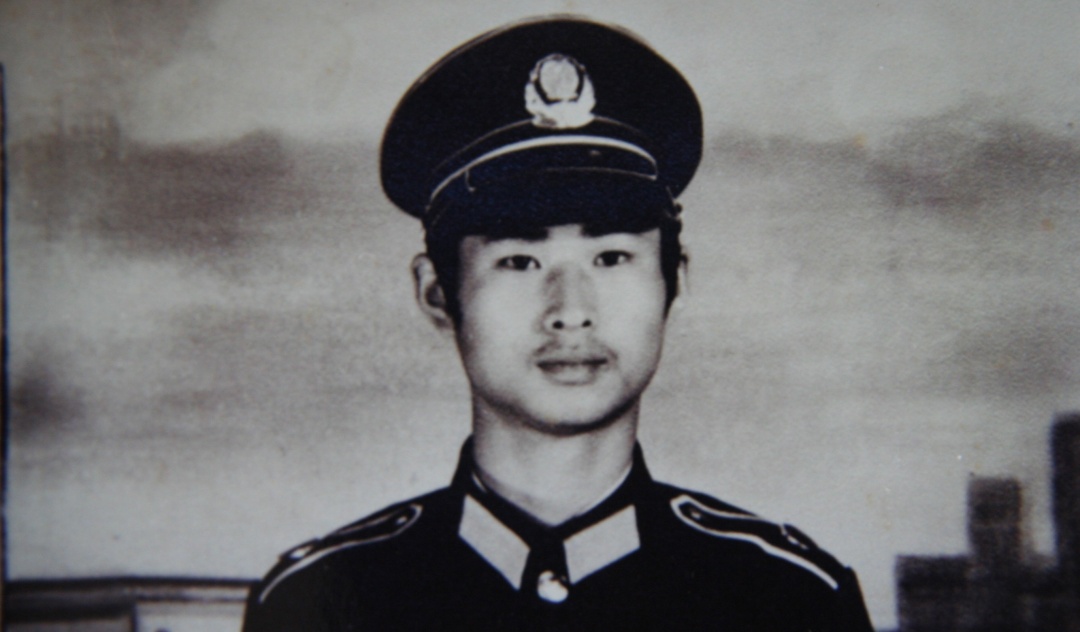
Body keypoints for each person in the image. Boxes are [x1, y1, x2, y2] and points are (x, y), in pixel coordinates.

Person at [243, 16, 874, 631]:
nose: (570, 310)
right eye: (520, 260)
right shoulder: (318, 605)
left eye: (611, 257)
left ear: (674, 281)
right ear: (437, 294)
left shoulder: (790, 603)